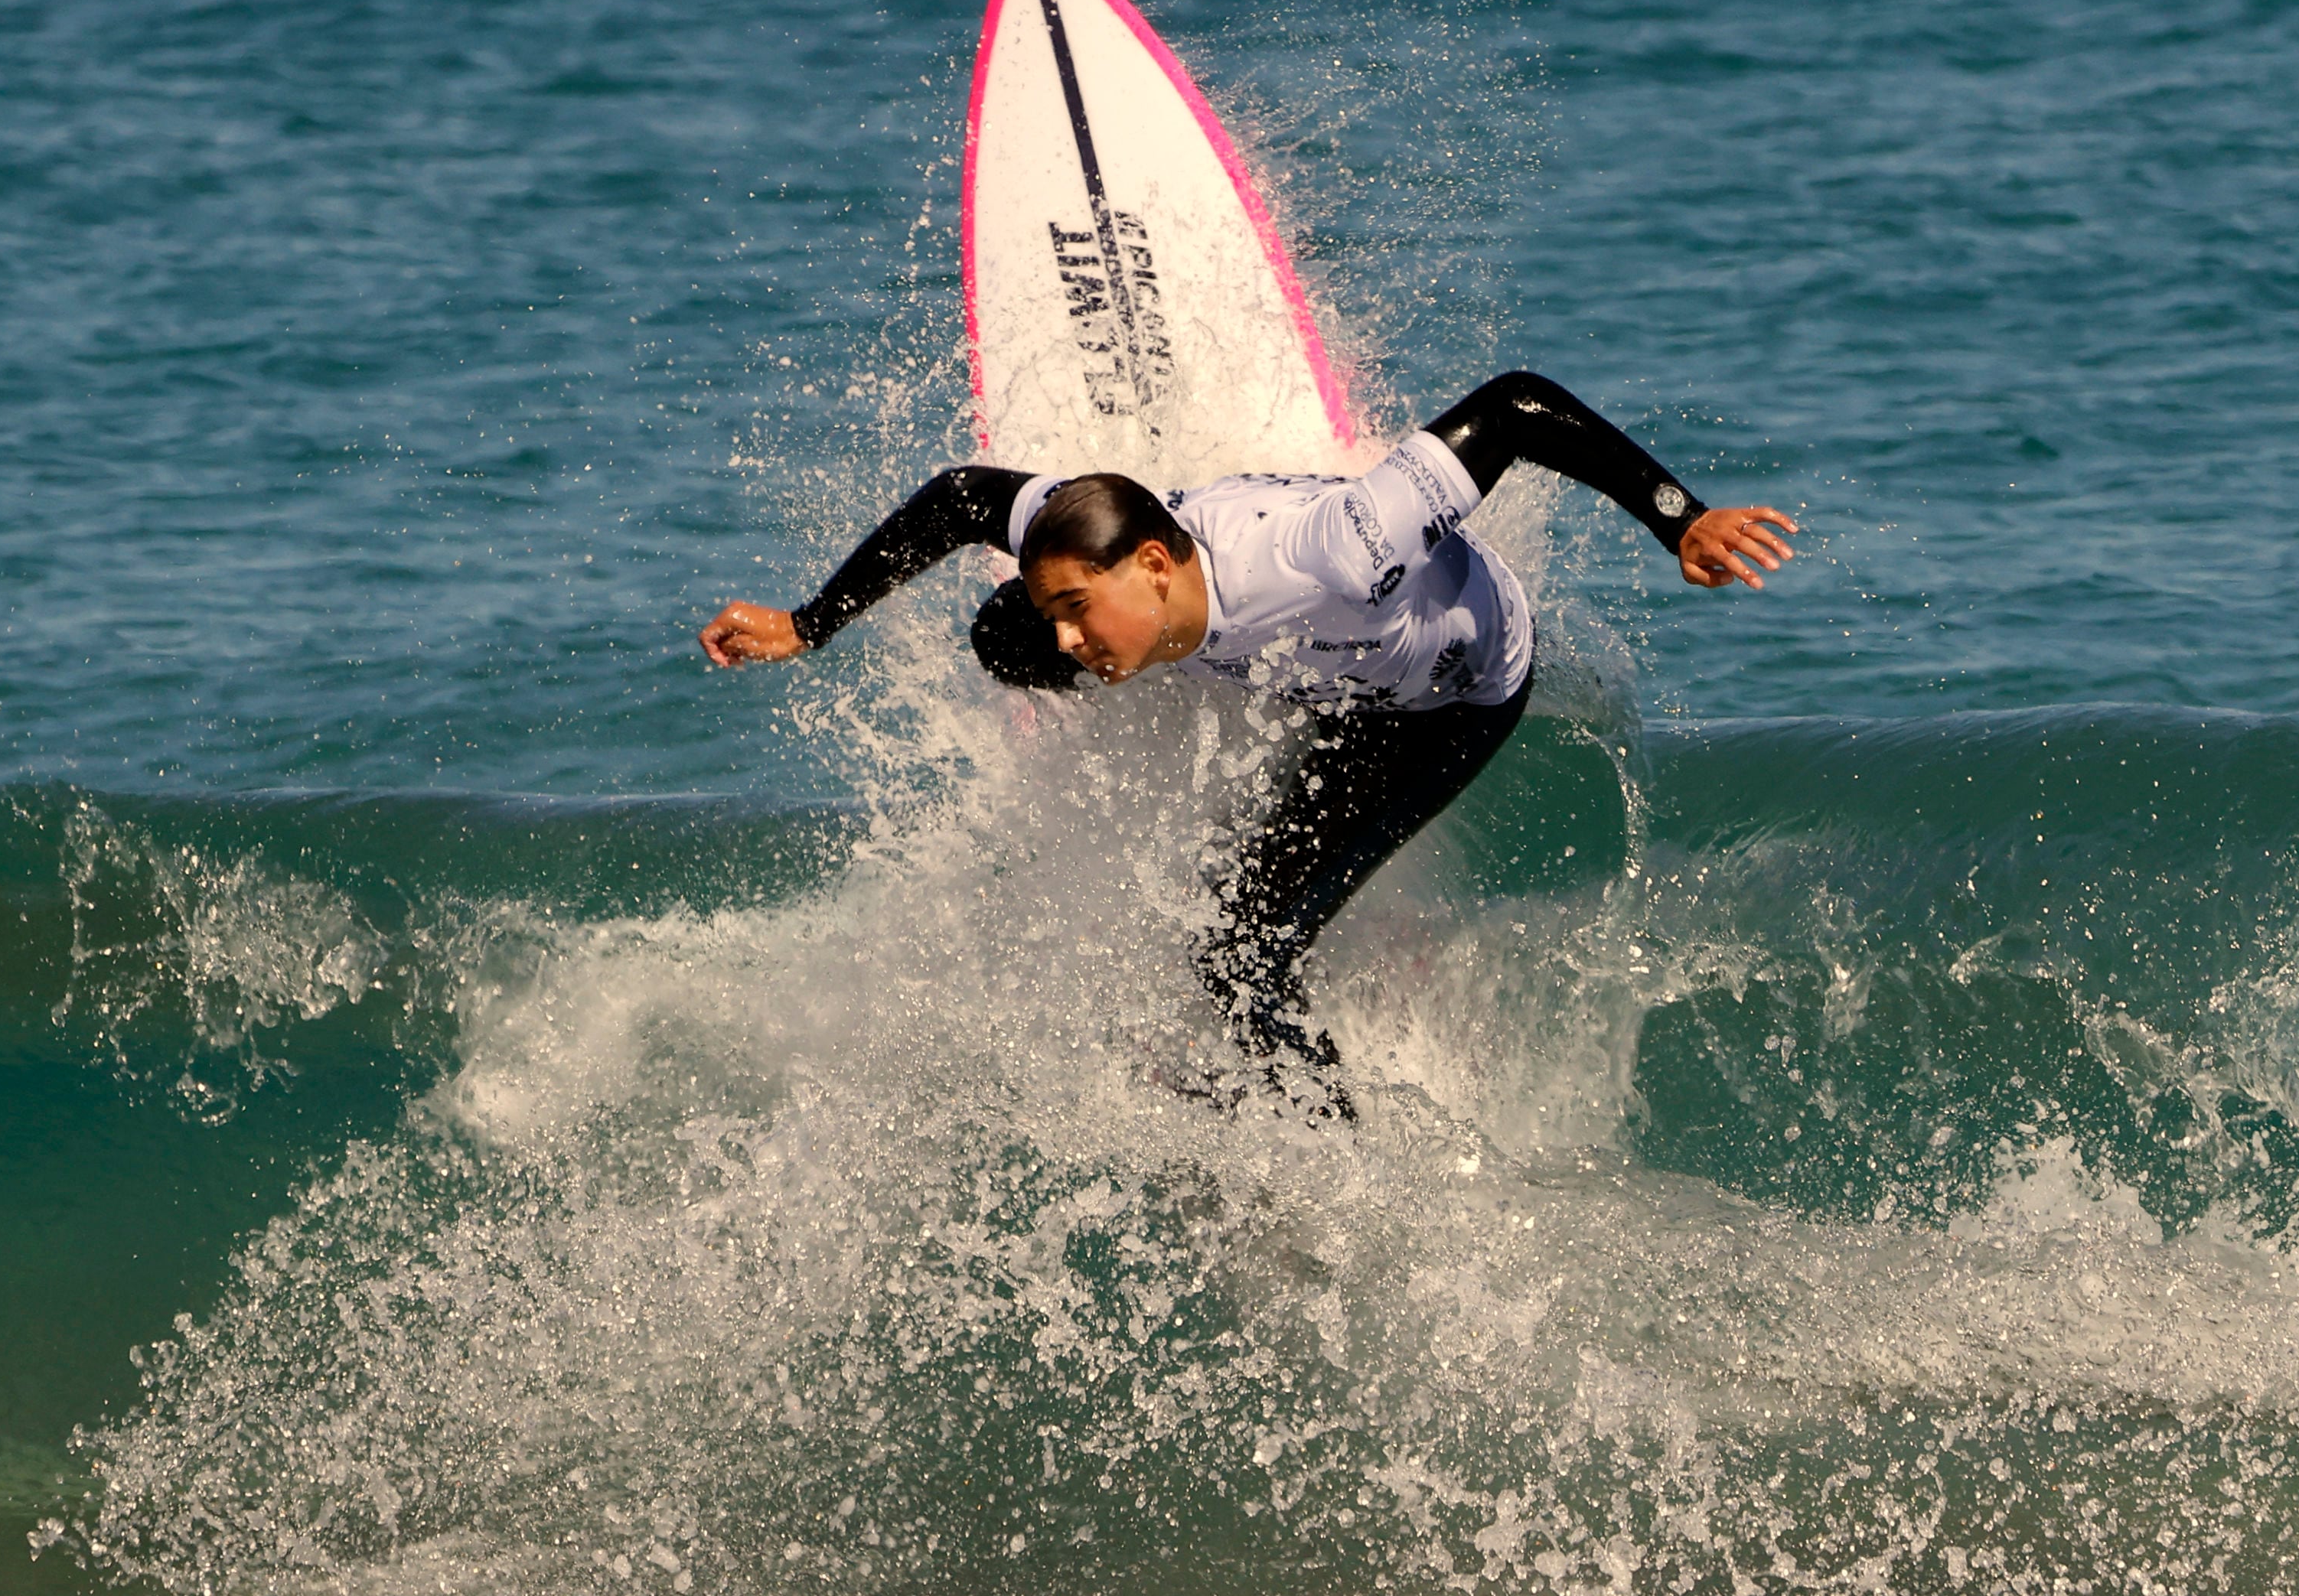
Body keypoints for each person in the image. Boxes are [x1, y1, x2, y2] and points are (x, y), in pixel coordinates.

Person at [699, 372, 1796, 1113]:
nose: (1074, 634)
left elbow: (1513, 408)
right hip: (1318, 664)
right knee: (1000, 634)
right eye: (1067, 614)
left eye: (1084, 608)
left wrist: (1678, 517)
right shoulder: (1104, 531)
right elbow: (957, 499)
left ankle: (1325, 1143)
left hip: (1440, 702)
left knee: (1240, 951)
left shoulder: (1336, 552)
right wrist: (810, 623)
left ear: (1158, 565)